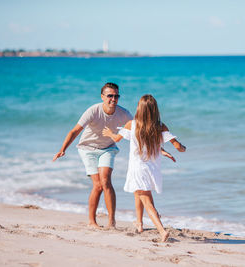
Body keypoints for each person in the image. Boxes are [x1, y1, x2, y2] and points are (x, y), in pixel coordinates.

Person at [102, 94, 186, 242]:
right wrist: (181, 148)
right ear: (154, 110)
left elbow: (116, 139)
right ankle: (139, 224)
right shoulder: (159, 126)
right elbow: (178, 146)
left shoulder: (132, 124)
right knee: (139, 193)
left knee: (146, 200)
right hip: (152, 169)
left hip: (138, 168)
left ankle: (162, 230)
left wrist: (109, 133)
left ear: (139, 109)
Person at [52, 82, 132, 229]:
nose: (113, 99)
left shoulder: (124, 113)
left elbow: (137, 129)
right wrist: (63, 149)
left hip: (108, 148)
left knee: (106, 181)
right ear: (102, 97)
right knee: (98, 185)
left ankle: (111, 222)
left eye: (116, 96)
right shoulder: (93, 111)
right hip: (87, 149)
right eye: (110, 96)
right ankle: (92, 221)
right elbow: (75, 131)